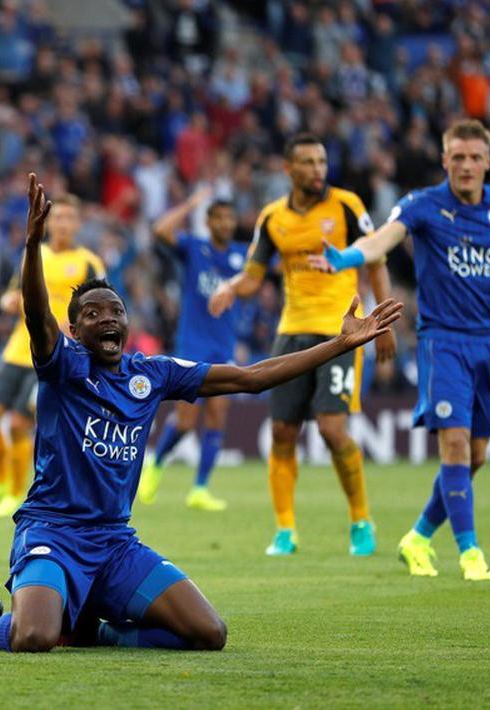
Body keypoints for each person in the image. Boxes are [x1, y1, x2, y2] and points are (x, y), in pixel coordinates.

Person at [0, 174, 402, 654]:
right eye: (92, 313)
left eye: (116, 310)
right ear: (74, 328)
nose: (107, 317)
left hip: (114, 542)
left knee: (209, 633)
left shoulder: (153, 373)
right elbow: (35, 311)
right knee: (34, 637)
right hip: (52, 532)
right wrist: (32, 246)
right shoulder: (63, 365)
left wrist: (338, 345)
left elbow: (249, 377)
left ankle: (98, 631)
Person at [317, 119, 490, 581]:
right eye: (456, 157)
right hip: (444, 342)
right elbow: (383, 238)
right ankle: (470, 553)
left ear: (487, 162)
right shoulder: (423, 205)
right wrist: (347, 258)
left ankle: (418, 537)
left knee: (475, 456)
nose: (465, 165)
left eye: (474, 157)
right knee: (455, 445)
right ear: (444, 160)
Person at [207, 133, 395, 557]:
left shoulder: (347, 204)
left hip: (342, 331)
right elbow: (254, 275)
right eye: (308, 162)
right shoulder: (272, 217)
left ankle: (361, 521)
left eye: (322, 161)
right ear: (288, 169)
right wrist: (233, 287)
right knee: (281, 431)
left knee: (332, 428)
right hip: (292, 331)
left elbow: (377, 258)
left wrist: (381, 320)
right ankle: (285, 530)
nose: (318, 170)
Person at [0, 193, 104, 518]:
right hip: (17, 348)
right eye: (57, 217)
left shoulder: (89, 262)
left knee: (18, 424)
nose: (62, 224)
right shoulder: (34, 252)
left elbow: (100, 308)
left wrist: (73, 326)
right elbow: (15, 290)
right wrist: (7, 300)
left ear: (77, 224)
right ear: (48, 221)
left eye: (69, 218)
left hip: (49, 355)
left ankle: (16, 492)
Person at [139, 187, 243, 511]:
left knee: (217, 417)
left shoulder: (243, 255)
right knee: (186, 421)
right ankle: (155, 465)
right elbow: (160, 230)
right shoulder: (195, 248)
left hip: (222, 345)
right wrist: (189, 204)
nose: (225, 223)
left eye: (229, 217)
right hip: (192, 344)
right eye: (219, 218)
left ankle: (200, 488)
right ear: (208, 222)